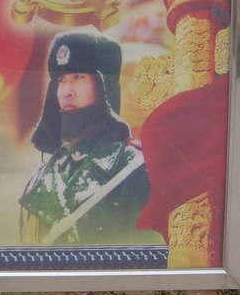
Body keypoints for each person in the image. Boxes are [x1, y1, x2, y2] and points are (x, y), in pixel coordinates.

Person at [19, 30, 161, 246]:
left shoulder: (135, 171)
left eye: (78, 77)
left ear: (104, 86)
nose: (67, 91)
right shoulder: (38, 181)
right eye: (61, 80)